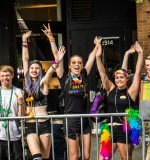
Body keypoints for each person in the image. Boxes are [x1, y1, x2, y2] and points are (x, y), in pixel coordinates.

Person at [50, 35, 101, 159]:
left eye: (79, 63)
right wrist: (52, 39)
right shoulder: (64, 78)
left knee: (86, 156)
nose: (77, 65)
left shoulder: (83, 75)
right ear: (69, 66)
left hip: (84, 119)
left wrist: (96, 45)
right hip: (70, 120)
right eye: (74, 63)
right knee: (74, 156)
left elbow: (91, 59)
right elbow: (57, 56)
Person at [96, 41, 143, 160]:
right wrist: (98, 57)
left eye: (122, 77)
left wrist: (140, 54)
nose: (119, 79)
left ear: (127, 80)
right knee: (104, 158)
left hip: (124, 129)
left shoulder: (131, 92)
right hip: (109, 129)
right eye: (117, 77)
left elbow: (137, 73)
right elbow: (103, 74)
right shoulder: (111, 88)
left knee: (125, 158)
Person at [22, 26, 61, 160]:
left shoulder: (43, 83)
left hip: (44, 123)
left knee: (45, 157)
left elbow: (50, 72)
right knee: (37, 157)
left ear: (40, 71)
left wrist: (56, 62)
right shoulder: (26, 83)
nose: (33, 70)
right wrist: (24, 42)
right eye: (32, 68)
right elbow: (25, 60)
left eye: (37, 68)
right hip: (30, 124)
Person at [122, 52, 150, 160]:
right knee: (148, 155)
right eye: (147, 65)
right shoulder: (141, 79)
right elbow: (123, 73)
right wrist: (127, 54)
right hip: (144, 122)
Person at [0, 65, 26, 160]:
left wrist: (21, 102)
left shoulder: (19, 92)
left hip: (15, 136)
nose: (5, 78)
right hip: (0, 137)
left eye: (7, 75)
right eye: (2, 76)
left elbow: (22, 116)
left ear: (12, 75)